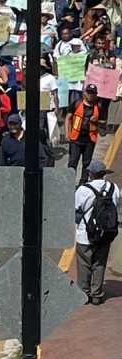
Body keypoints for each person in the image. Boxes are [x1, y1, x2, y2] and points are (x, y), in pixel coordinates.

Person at [74, 160, 120, 305]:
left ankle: (84, 293)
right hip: (105, 233)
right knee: (99, 263)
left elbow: (76, 209)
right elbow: (116, 203)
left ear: (91, 174)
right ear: (104, 174)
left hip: (85, 233)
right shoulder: (113, 188)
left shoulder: (83, 190)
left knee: (84, 264)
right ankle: (97, 294)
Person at [65, 84, 101, 184]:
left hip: (90, 139)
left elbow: (103, 123)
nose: (90, 95)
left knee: (87, 163)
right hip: (76, 138)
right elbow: (68, 117)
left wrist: (97, 120)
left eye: (92, 93)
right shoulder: (77, 104)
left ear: (96, 95)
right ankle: (69, 182)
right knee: (73, 161)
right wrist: (67, 133)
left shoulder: (98, 106)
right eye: (88, 92)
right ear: (84, 92)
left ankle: (83, 182)